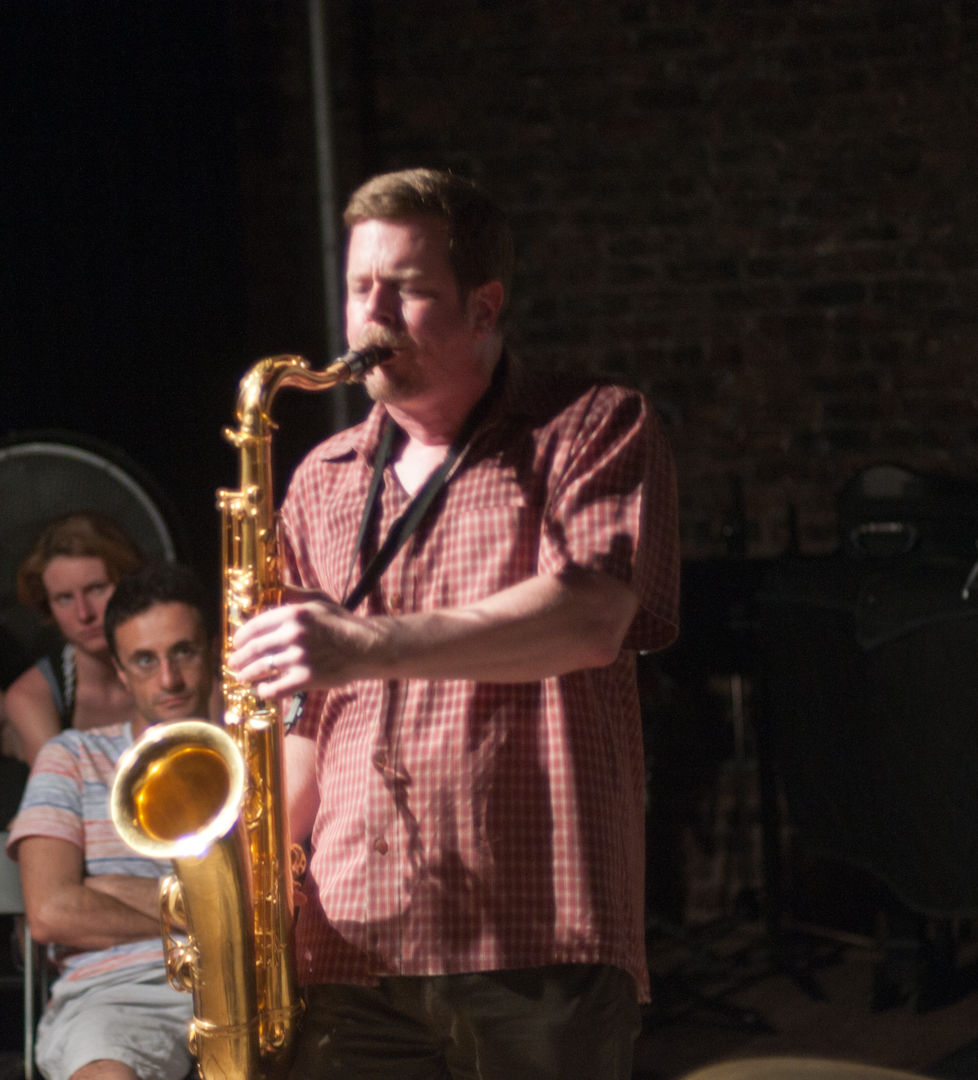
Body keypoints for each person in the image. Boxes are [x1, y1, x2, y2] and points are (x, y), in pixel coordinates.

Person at [229, 168, 681, 1079]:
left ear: (484, 306)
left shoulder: (591, 426)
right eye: (360, 287)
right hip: (351, 943)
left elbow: (590, 616)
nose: (373, 316)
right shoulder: (320, 477)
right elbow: (307, 718)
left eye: (409, 288)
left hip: (531, 933)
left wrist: (364, 646)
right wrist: (247, 887)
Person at [6, 563, 215, 1080]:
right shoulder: (72, 757)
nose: (168, 679)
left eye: (182, 652)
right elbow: (52, 912)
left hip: (252, 988)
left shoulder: (259, 758)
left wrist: (112, 889)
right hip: (118, 998)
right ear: (120, 671)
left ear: (212, 649)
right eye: (144, 661)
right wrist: (206, 923)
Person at [5, 512, 144, 765]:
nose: (84, 613)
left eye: (96, 589)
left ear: (127, 583)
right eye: (64, 598)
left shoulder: (177, 670)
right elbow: (58, 795)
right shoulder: (32, 697)